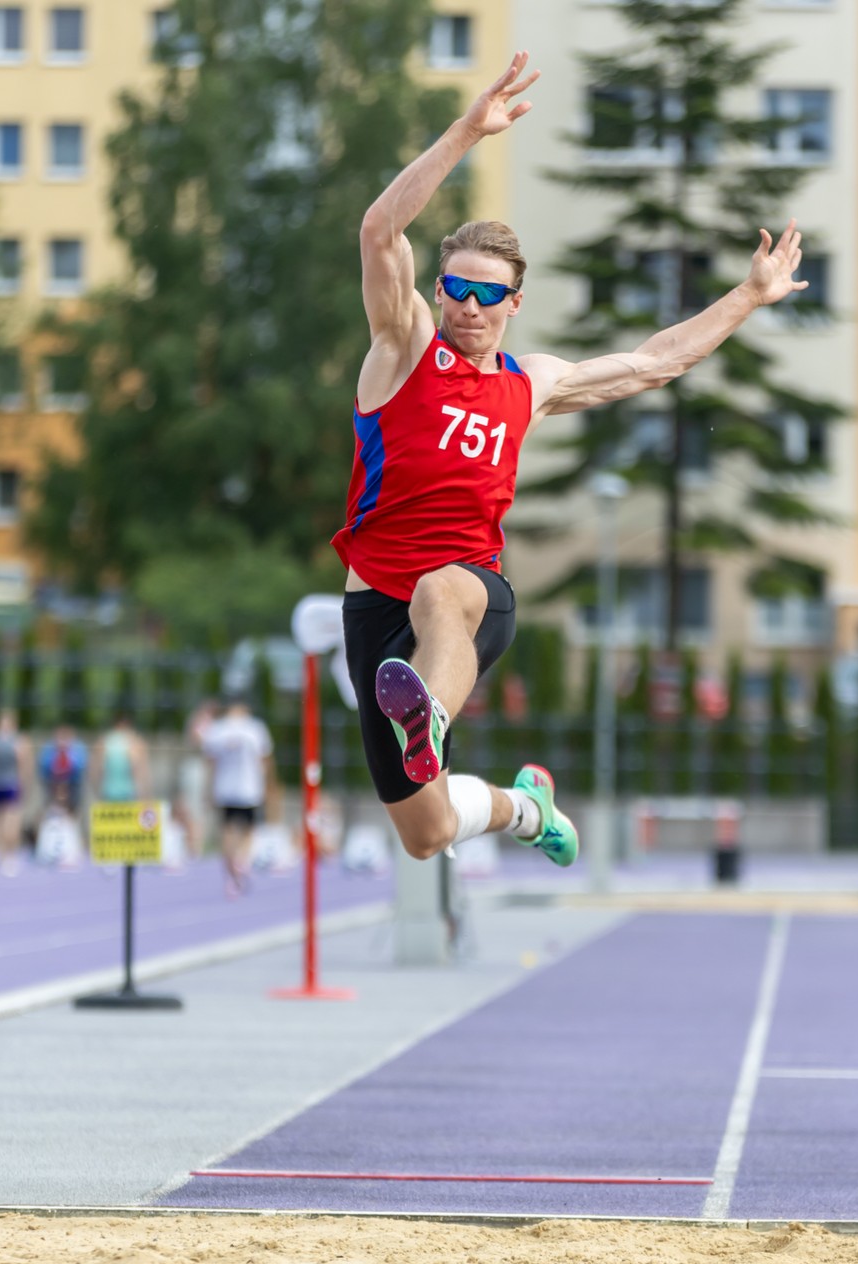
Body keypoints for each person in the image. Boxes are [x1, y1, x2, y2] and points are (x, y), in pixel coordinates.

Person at [335, 52, 806, 868]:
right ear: (439, 288)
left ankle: (430, 718)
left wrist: (748, 296)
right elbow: (380, 231)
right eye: (456, 288)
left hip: (469, 595)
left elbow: (655, 361)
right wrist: (464, 133)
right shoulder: (403, 345)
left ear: (515, 302)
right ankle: (526, 806)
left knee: (442, 587)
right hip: (375, 608)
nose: (468, 307)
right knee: (427, 832)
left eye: (489, 295)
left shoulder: (534, 382)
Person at [195, 695, 275, 894]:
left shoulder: (217, 729)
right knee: (248, 829)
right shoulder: (254, 728)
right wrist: (268, 786)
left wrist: (208, 789)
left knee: (227, 830)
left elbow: (210, 763)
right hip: (249, 787)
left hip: (225, 788)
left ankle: (231, 870)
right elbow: (264, 760)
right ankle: (242, 860)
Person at [0, 709, 31, 876]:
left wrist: (23, 781)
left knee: (10, 821)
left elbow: (23, 763)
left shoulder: (17, 741)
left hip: (10, 783)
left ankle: (8, 855)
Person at [94, 713, 149, 804]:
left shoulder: (105, 740)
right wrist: (145, 793)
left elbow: (98, 769)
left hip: (109, 790)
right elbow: (139, 769)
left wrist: (97, 789)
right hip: (128, 791)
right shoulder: (134, 741)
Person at [39, 724, 89, 816]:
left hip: (72, 786)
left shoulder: (78, 748)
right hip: (53, 786)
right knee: (51, 809)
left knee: (73, 810)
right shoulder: (49, 748)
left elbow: (80, 766)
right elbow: (44, 767)